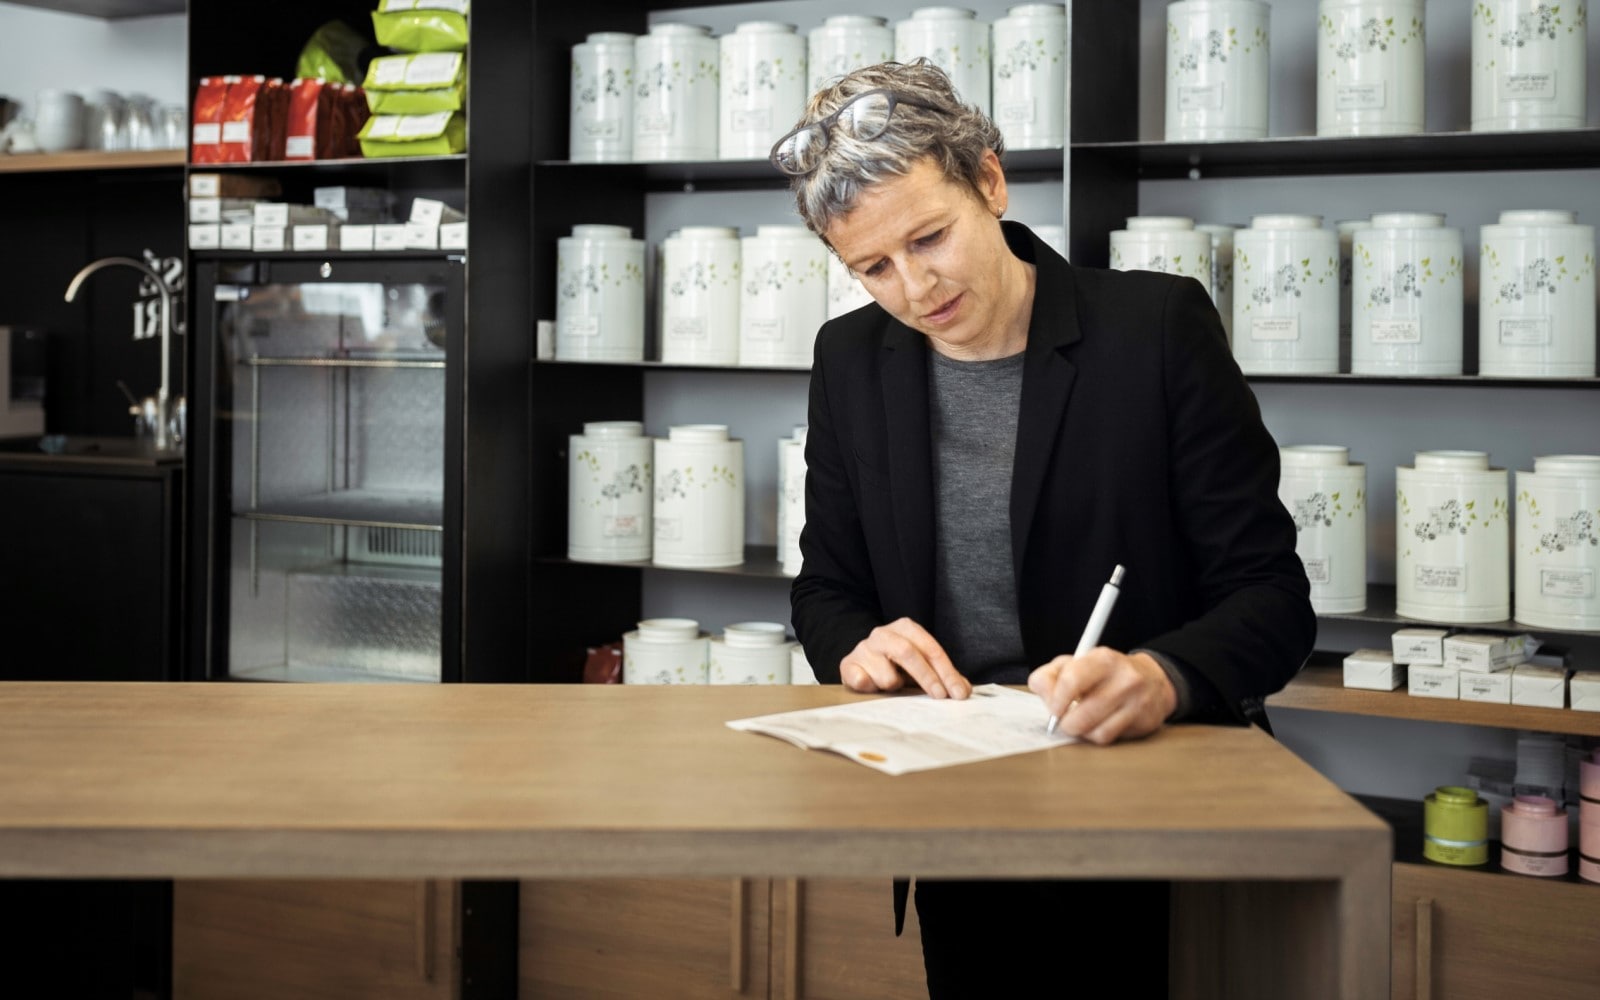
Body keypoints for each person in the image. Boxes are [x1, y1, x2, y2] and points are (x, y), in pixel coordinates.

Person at [778, 60, 1316, 997]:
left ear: (989, 178)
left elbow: (1273, 598)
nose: (913, 288)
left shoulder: (1154, 328)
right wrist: (858, 647)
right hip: (954, 794)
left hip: (1148, 796)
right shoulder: (850, 359)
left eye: (931, 237)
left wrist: (1161, 676)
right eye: (872, 267)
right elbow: (825, 588)